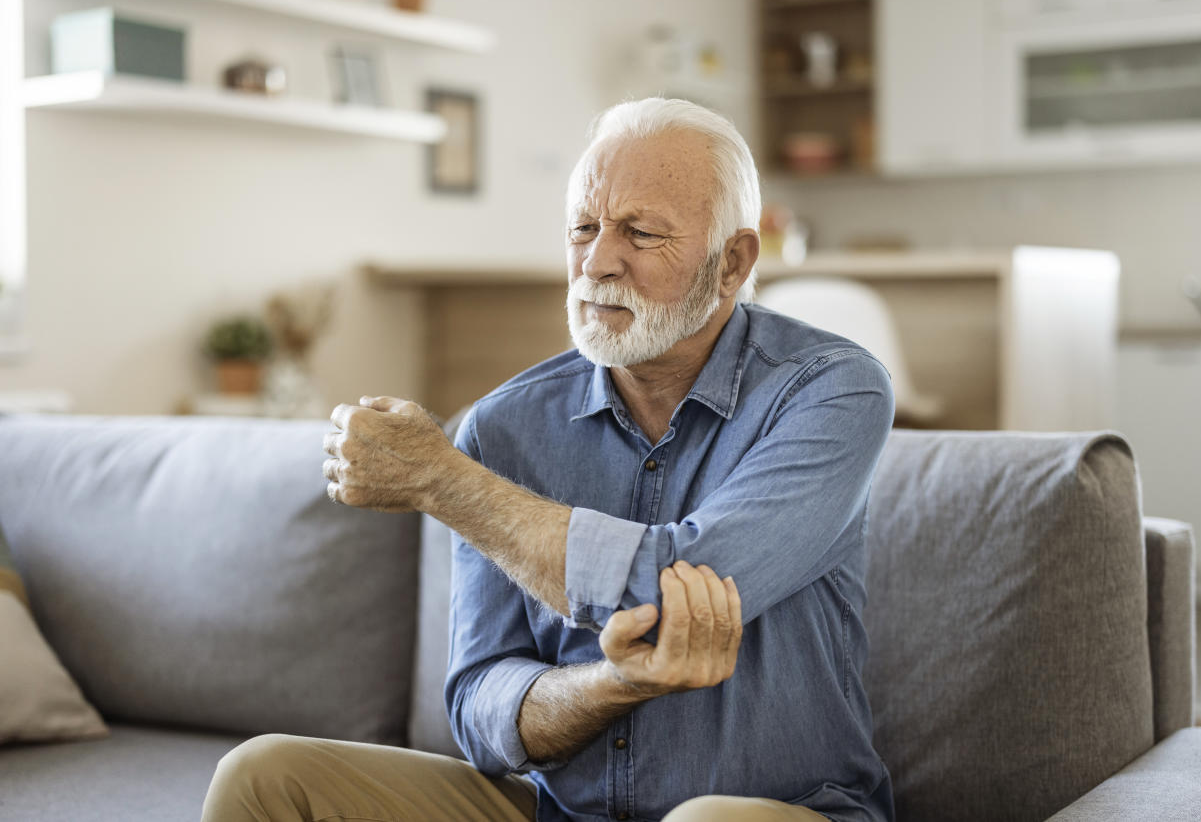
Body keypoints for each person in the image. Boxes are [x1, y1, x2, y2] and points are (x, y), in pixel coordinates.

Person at [201, 97, 895, 822]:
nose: (597, 262)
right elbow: (479, 709)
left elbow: (671, 594)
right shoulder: (502, 428)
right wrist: (612, 685)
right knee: (266, 775)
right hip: (557, 812)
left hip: (777, 810)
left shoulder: (830, 389)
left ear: (733, 262)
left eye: (641, 232)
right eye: (584, 229)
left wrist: (445, 482)